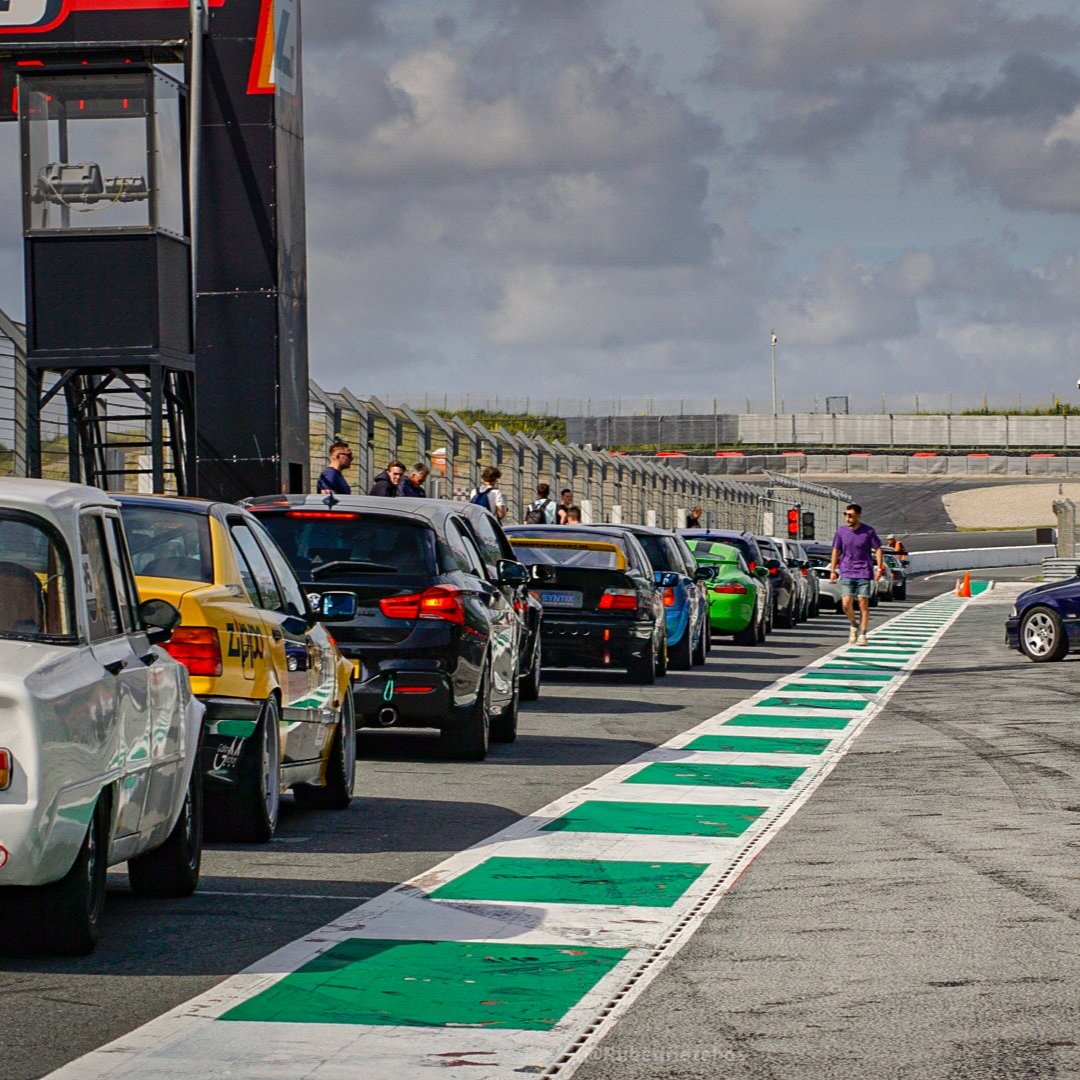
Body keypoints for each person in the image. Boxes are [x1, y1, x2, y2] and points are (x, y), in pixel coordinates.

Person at [829, 503, 884, 646]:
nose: (847, 518)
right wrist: (833, 570)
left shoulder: (869, 532)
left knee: (863, 603)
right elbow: (836, 551)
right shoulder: (841, 532)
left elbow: (878, 549)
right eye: (846, 515)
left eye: (850, 516)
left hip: (864, 571)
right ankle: (854, 624)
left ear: (858, 515)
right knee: (846, 603)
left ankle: (863, 634)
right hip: (847, 571)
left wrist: (879, 568)